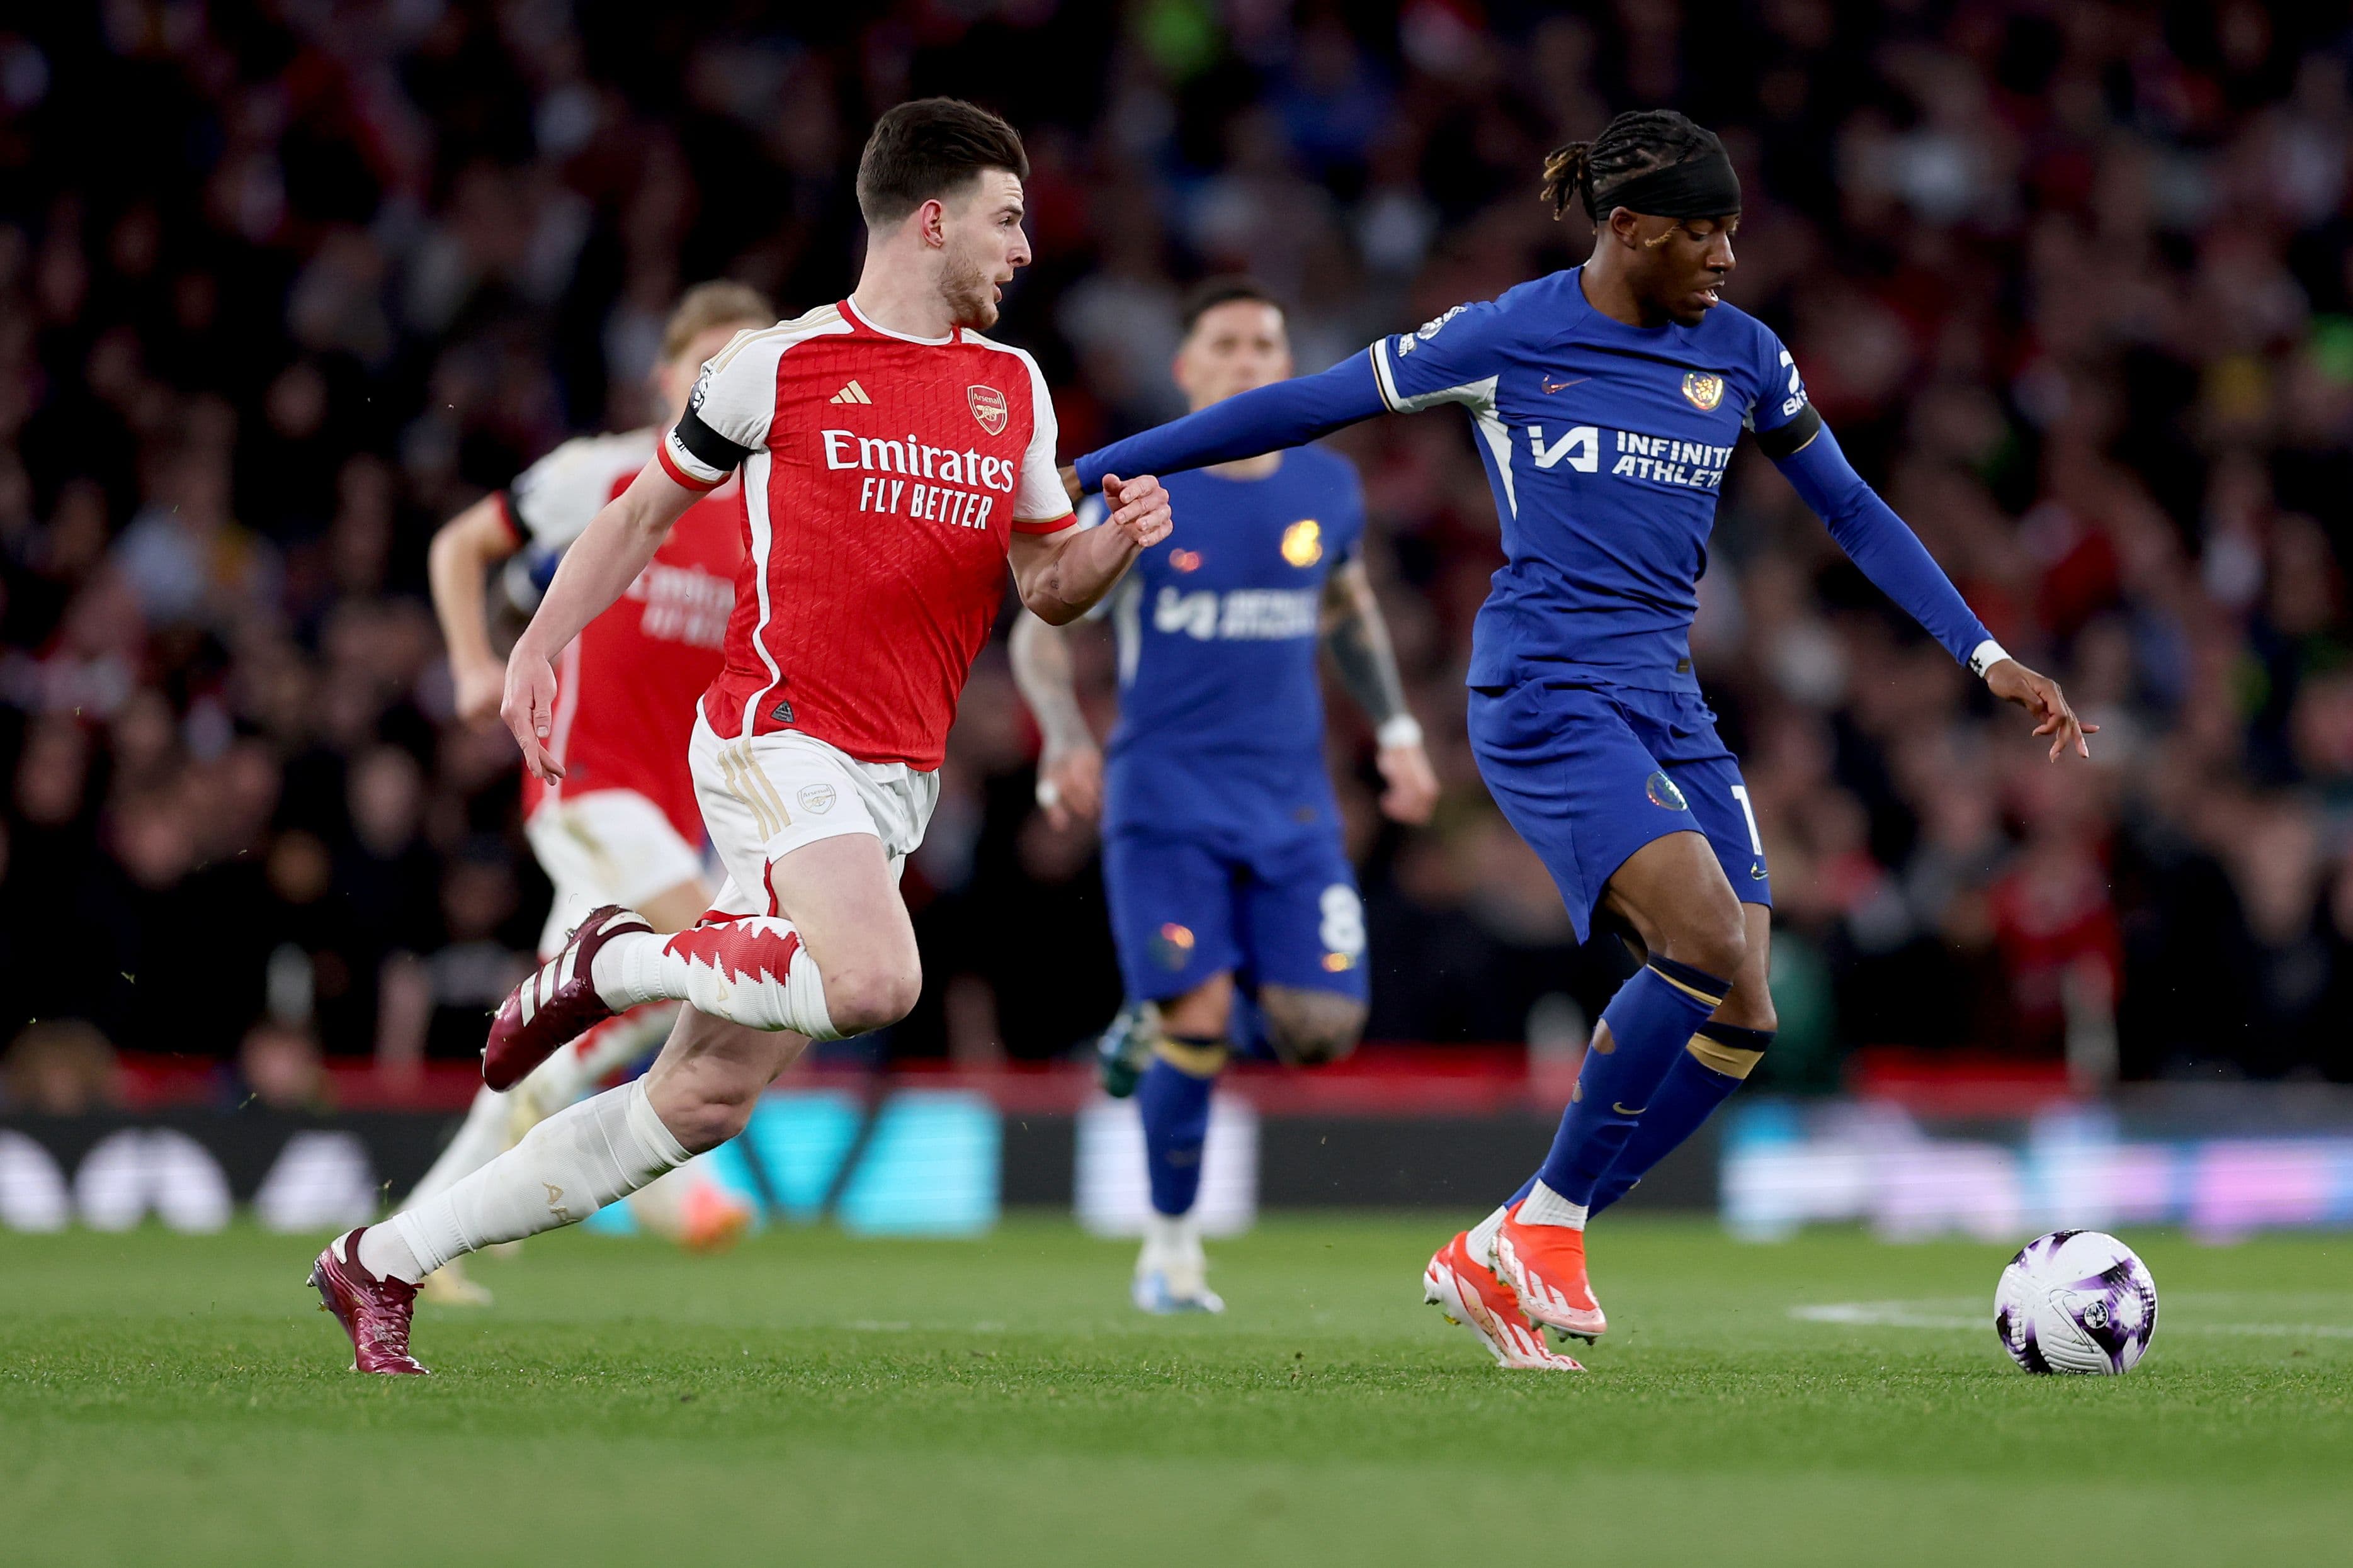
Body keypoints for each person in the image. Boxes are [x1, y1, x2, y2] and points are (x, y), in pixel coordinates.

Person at [1063, 110, 2094, 1369]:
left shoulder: (1748, 356)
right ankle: (1542, 1231)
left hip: (1665, 697)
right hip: (1544, 690)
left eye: (1732, 231)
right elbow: (1301, 405)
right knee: (1701, 940)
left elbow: (1856, 511)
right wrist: (1091, 466)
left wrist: (1985, 654)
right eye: (1702, 233)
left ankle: (1511, 1235)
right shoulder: (1509, 333)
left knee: (1747, 1011)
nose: (1724, 256)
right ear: (1627, 228)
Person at [306, 98, 1172, 1374]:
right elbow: (642, 511)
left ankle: (381, 1260)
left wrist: (1107, 546)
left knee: (697, 1101)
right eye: (1006, 218)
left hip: (896, 776)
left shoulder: (1016, 390)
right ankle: (624, 962)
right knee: (878, 982)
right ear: (932, 221)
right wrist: (538, 644)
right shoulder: (781, 363)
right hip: (779, 739)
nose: (1026, 246)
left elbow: (1043, 584)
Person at [1009, 278, 1442, 1317]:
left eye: (1266, 342)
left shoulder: (1328, 489)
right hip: (1166, 795)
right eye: (1227, 344)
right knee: (1200, 1015)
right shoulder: (1144, 485)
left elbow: (1346, 604)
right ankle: (1169, 1253)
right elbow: (1039, 625)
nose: (1249, 359)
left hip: (1292, 802)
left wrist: (1396, 734)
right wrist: (1066, 739)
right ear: (1187, 369)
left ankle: (1158, 1007)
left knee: (1321, 1029)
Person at [405, 281, 778, 1304]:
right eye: (708, 359)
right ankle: (651, 1178)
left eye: (747, 359)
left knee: (557, 1028)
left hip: (678, 812)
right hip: (586, 792)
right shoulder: (605, 476)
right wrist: (478, 663)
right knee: (730, 950)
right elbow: (458, 547)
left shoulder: (764, 512)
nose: (725, 379)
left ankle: (415, 1240)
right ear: (667, 376)